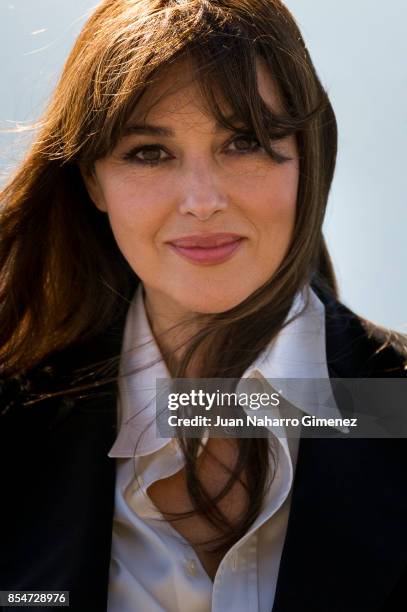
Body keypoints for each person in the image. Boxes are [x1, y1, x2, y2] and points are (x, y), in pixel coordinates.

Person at [0, 0, 406, 611]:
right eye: (148, 152)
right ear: (92, 180)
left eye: (244, 141)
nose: (201, 200)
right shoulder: (13, 422)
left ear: (309, 155)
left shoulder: (394, 403)